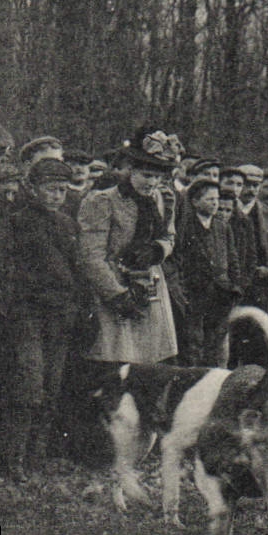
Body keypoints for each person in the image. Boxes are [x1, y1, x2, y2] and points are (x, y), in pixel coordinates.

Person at [0, 158, 86, 478]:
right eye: (50, 190)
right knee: (29, 383)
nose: (56, 196)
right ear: (32, 190)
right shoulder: (17, 221)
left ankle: (37, 457)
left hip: (60, 315)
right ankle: (14, 459)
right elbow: (8, 268)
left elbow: (78, 269)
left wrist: (78, 306)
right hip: (28, 314)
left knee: (52, 383)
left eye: (62, 190)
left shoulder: (68, 224)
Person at [78, 128, 181, 367]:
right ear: (130, 170)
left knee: (152, 360)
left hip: (151, 285)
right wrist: (117, 295)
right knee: (118, 360)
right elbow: (91, 256)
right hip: (114, 287)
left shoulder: (161, 199)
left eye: (158, 177)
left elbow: (170, 236)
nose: (152, 182)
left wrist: (158, 250)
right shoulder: (102, 201)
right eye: (146, 175)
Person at [173, 177, 240, 366]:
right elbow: (177, 259)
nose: (215, 203)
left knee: (217, 341)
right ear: (195, 202)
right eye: (209, 199)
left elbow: (233, 259)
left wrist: (234, 286)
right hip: (194, 293)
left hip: (221, 293)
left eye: (216, 199)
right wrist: (182, 289)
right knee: (192, 341)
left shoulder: (222, 227)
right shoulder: (184, 227)